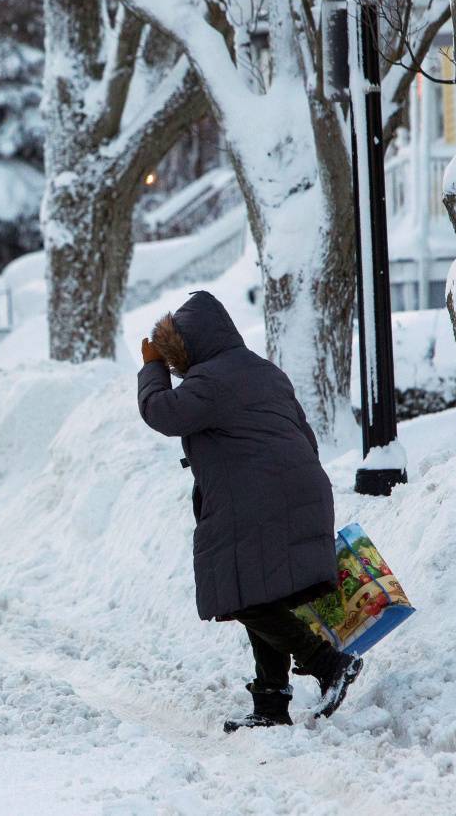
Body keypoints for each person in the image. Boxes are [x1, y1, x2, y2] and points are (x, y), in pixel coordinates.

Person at [136, 290, 362, 731]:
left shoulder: (209, 382)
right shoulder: (264, 371)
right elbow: (304, 436)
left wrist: (151, 368)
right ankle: (271, 704)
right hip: (302, 491)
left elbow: (160, 412)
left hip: (261, 501)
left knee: (243, 597)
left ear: (188, 345)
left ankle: (328, 663)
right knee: (262, 594)